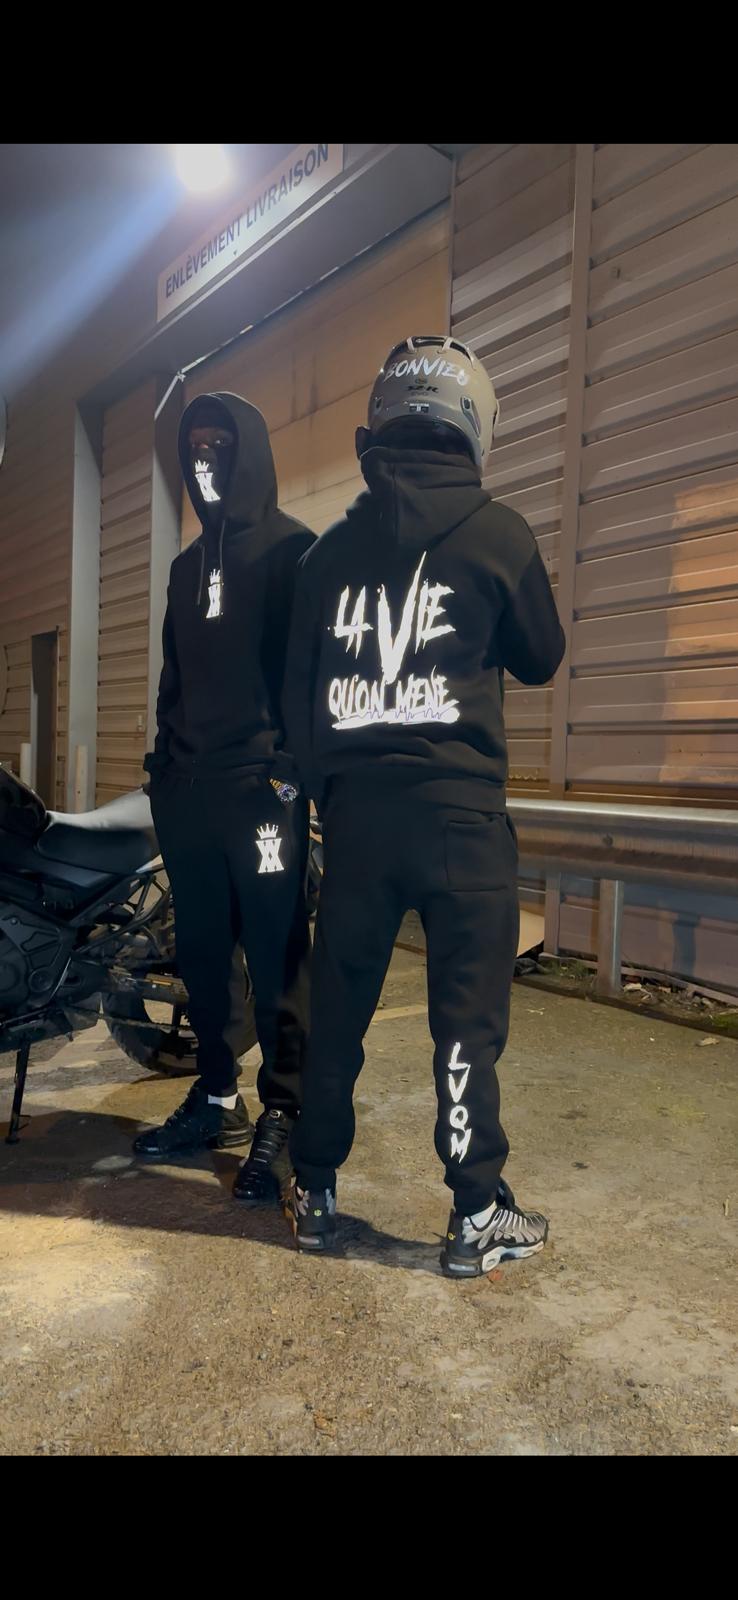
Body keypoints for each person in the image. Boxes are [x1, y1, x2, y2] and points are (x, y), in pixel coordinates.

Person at [282, 335, 565, 1274]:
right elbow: (542, 655)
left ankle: (313, 1192)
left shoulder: (325, 558)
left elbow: (298, 697)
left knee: (339, 1012)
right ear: (472, 424)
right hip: (462, 823)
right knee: (465, 1024)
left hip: (360, 822)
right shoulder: (502, 535)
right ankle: (474, 1214)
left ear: (382, 423)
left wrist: (329, 794)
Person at [135, 391, 314, 1205]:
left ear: (251, 453)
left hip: (262, 795)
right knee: (203, 955)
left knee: (277, 954)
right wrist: (164, 768)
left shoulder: (294, 552)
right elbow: (174, 680)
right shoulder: (183, 569)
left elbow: (308, 675)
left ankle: (287, 1108)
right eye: (194, 447)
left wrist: (288, 772)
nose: (205, 460)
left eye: (220, 445)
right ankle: (216, 1096)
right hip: (191, 795)